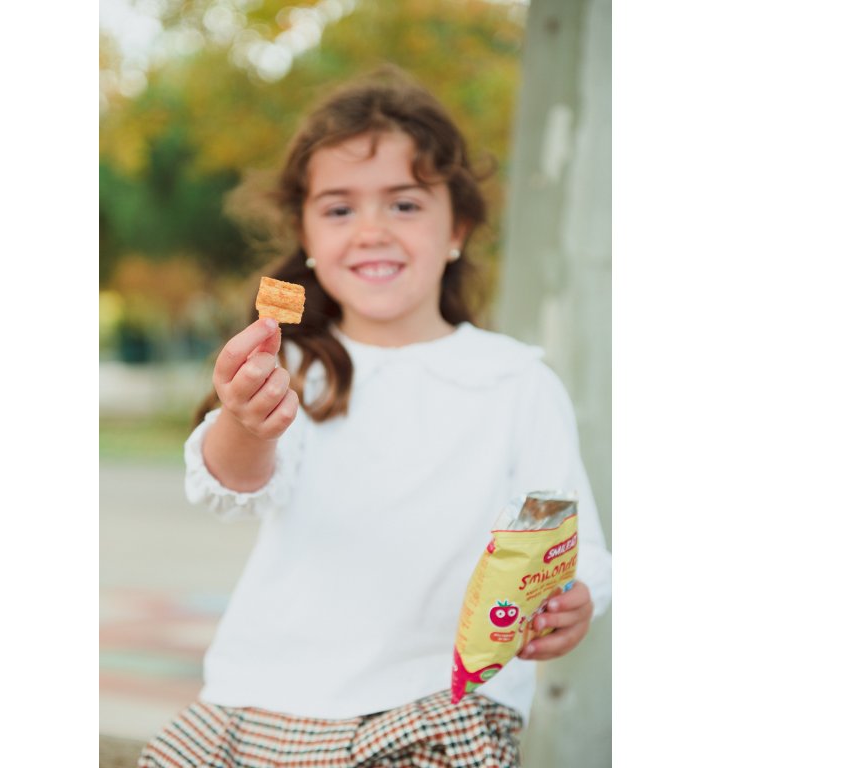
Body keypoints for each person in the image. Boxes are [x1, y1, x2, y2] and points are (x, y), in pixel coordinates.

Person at [138, 66, 611, 768]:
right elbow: (233, 488)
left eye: (405, 204)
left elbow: (574, 544)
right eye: (339, 210)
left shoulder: (516, 381)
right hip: (267, 694)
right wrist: (245, 421)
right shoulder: (295, 365)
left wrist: (573, 598)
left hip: (444, 703)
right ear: (305, 234)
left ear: (458, 228)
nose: (371, 231)